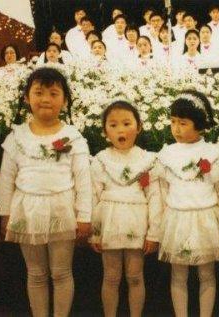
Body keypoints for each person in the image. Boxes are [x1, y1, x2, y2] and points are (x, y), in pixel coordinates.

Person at [0, 67, 92, 317]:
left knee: (61, 273)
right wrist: (4, 213)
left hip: (62, 210)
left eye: (53, 93)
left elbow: (83, 180)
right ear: (27, 97)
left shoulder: (73, 137)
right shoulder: (16, 136)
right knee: (36, 274)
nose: (46, 99)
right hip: (27, 211)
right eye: (39, 92)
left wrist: (84, 216)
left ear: (65, 99)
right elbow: (7, 178)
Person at [90, 101, 162, 317]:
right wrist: (95, 232)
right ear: (105, 131)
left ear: (138, 126)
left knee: (135, 276)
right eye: (113, 125)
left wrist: (154, 232)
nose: (120, 130)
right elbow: (93, 196)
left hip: (136, 223)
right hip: (109, 224)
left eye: (126, 123)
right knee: (111, 277)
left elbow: (155, 198)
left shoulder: (148, 161)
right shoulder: (101, 160)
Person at [157, 90, 219, 317]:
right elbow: (163, 190)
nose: (176, 128)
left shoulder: (213, 153)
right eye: (173, 122)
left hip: (205, 218)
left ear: (200, 124)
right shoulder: (167, 154)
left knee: (207, 275)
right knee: (178, 276)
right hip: (177, 217)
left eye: (183, 123)